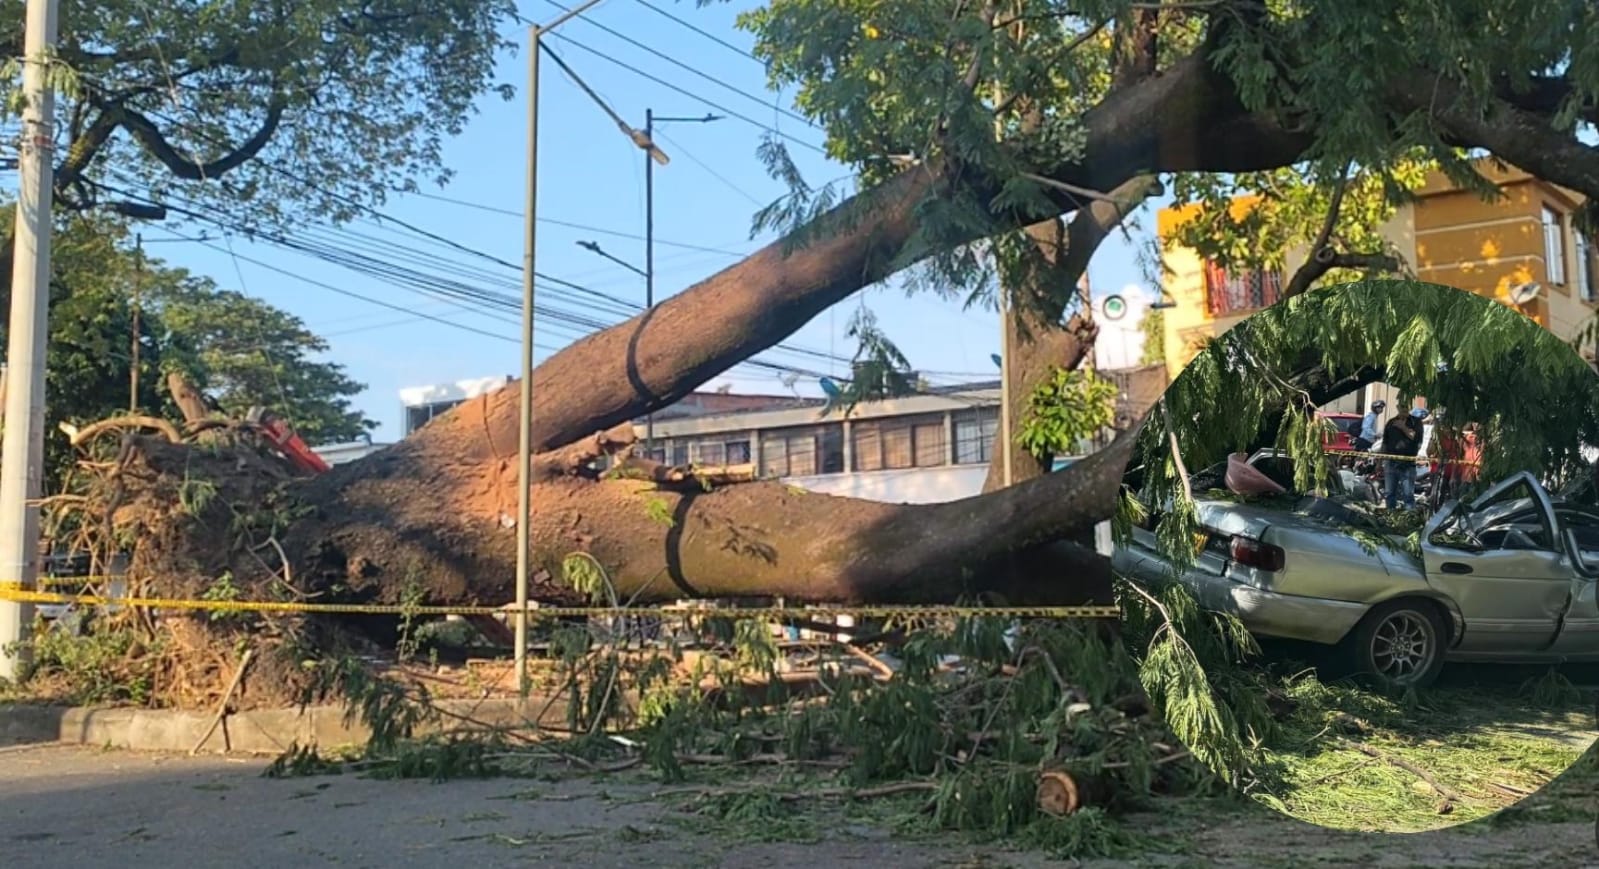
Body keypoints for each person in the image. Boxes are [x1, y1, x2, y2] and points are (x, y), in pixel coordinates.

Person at [1382, 406, 1427, 510]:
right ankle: (1390, 516)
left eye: (1406, 407)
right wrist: (1380, 462)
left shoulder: (1416, 422)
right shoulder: (1391, 422)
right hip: (1391, 462)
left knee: (1408, 495)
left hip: (1407, 463)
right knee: (1389, 493)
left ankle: (1409, 518)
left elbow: (1415, 437)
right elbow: (1385, 443)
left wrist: (1403, 427)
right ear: (1398, 408)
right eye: (1402, 407)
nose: (1404, 409)